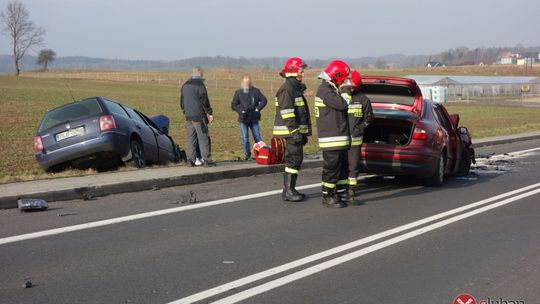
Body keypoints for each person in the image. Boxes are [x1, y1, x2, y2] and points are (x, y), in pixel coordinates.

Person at [273, 57, 312, 202]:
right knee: (294, 159)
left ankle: (290, 189)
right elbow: (287, 113)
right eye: (301, 70)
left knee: (296, 158)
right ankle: (288, 190)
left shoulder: (294, 88)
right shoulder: (287, 89)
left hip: (294, 132)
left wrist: (302, 132)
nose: (303, 73)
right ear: (293, 71)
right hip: (291, 132)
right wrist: (295, 132)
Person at [314, 60, 351, 208]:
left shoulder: (330, 90)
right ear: (337, 75)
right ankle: (328, 196)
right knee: (332, 169)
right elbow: (343, 104)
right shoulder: (325, 91)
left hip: (338, 138)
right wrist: (346, 89)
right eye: (343, 77)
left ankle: (340, 193)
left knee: (341, 168)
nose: (345, 80)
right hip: (331, 139)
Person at [341, 70, 373, 204]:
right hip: (341, 138)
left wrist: (360, 128)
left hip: (355, 139)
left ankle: (351, 190)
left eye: (354, 84)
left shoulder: (363, 99)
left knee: (353, 166)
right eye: (350, 83)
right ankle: (341, 189)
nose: (351, 86)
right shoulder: (340, 95)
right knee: (341, 165)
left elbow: (369, 117)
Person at [180, 66, 216, 167]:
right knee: (203, 137)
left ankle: (190, 160)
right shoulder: (200, 85)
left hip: (188, 116)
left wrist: (185, 111)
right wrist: (210, 113)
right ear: (199, 74)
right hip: (199, 117)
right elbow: (204, 100)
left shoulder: (185, 85)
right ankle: (207, 160)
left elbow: (182, 102)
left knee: (191, 138)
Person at [231, 75, 268, 160]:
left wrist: (257, 109)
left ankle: (260, 154)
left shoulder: (256, 91)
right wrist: (241, 111)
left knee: (257, 137)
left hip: (254, 118)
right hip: (243, 119)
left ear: (250, 82)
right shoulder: (238, 92)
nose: (246, 83)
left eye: (248, 81)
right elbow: (233, 105)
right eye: (245, 81)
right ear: (242, 82)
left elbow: (264, 100)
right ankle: (247, 155)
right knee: (245, 138)